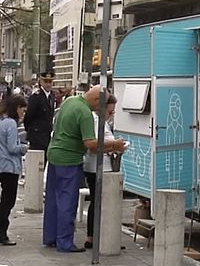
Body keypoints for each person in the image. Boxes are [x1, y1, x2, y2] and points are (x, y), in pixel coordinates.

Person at [42, 86, 126, 252]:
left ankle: (50, 237)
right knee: (67, 201)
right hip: (69, 159)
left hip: (53, 155)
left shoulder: (69, 101)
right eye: (100, 106)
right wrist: (115, 145)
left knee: (53, 200)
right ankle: (65, 242)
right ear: (96, 100)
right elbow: (91, 144)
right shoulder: (85, 113)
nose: (99, 109)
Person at [0, 94, 28, 245]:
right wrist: (24, 147)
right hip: (9, 165)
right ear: (17, 108)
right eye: (22, 110)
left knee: (5, 200)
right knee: (8, 202)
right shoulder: (10, 123)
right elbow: (12, 147)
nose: (23, 113)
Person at [82, 94, 119, 249]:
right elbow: (95, 144)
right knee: (97, 200)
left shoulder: (102, 122)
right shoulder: (94, 121)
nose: (111, 115)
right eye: (110, 112)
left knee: (102, 201)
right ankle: (92, 236)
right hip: (95, 166)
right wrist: (114, 146)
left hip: (104, 165)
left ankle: (102, 234)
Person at [23, 71, 56, 159]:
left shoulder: (52, 97)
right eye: (46, 82)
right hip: (36, 136)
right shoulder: (36, 97)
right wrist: (31, 130)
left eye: (50, 82)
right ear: (41, 82)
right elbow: (28, 116)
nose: (48, 84)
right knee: (36, 164)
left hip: (47, 136)